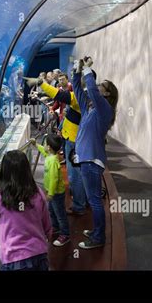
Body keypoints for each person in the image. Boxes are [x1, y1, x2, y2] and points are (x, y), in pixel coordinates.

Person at [23, 69, 88, 217]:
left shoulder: (80, 97)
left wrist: (41, 83)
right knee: (76, 173)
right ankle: (81, 199)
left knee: (74, 175)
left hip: (74, 139)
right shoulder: (84, 96)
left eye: (75, 77)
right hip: (71, 136)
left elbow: (59, 95)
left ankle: (79, 205)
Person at [0, 150, 51, 270]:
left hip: (14, 259)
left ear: (4, 172)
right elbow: (47, 224)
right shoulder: (38, 192)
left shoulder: (1, 198)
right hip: (39, 254)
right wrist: (46, 241)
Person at [72, 56, 118, 249]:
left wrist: (88, 71)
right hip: (86, 159)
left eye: (102, 85)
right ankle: (96, 231)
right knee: (93, 200)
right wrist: (77, 70)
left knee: (95, 201)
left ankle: (99, 238)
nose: (98, 85)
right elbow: (79, 92)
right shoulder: (91, 109)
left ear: (107, 94)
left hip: (92, 161)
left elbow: (91, 89)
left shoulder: (104, 110)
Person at [31, 134, 70, 247]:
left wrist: (51, 193)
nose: (44, 146)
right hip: (51, 192)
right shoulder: (50, 155)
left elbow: (54, 179)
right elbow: (43, 151)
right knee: (51, 211)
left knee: (60, 214)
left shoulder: (53, 161)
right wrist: (35, 144)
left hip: (56, 193)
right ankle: (56, 227)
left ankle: (65, 234)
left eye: (45, 144)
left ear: (49, 147)